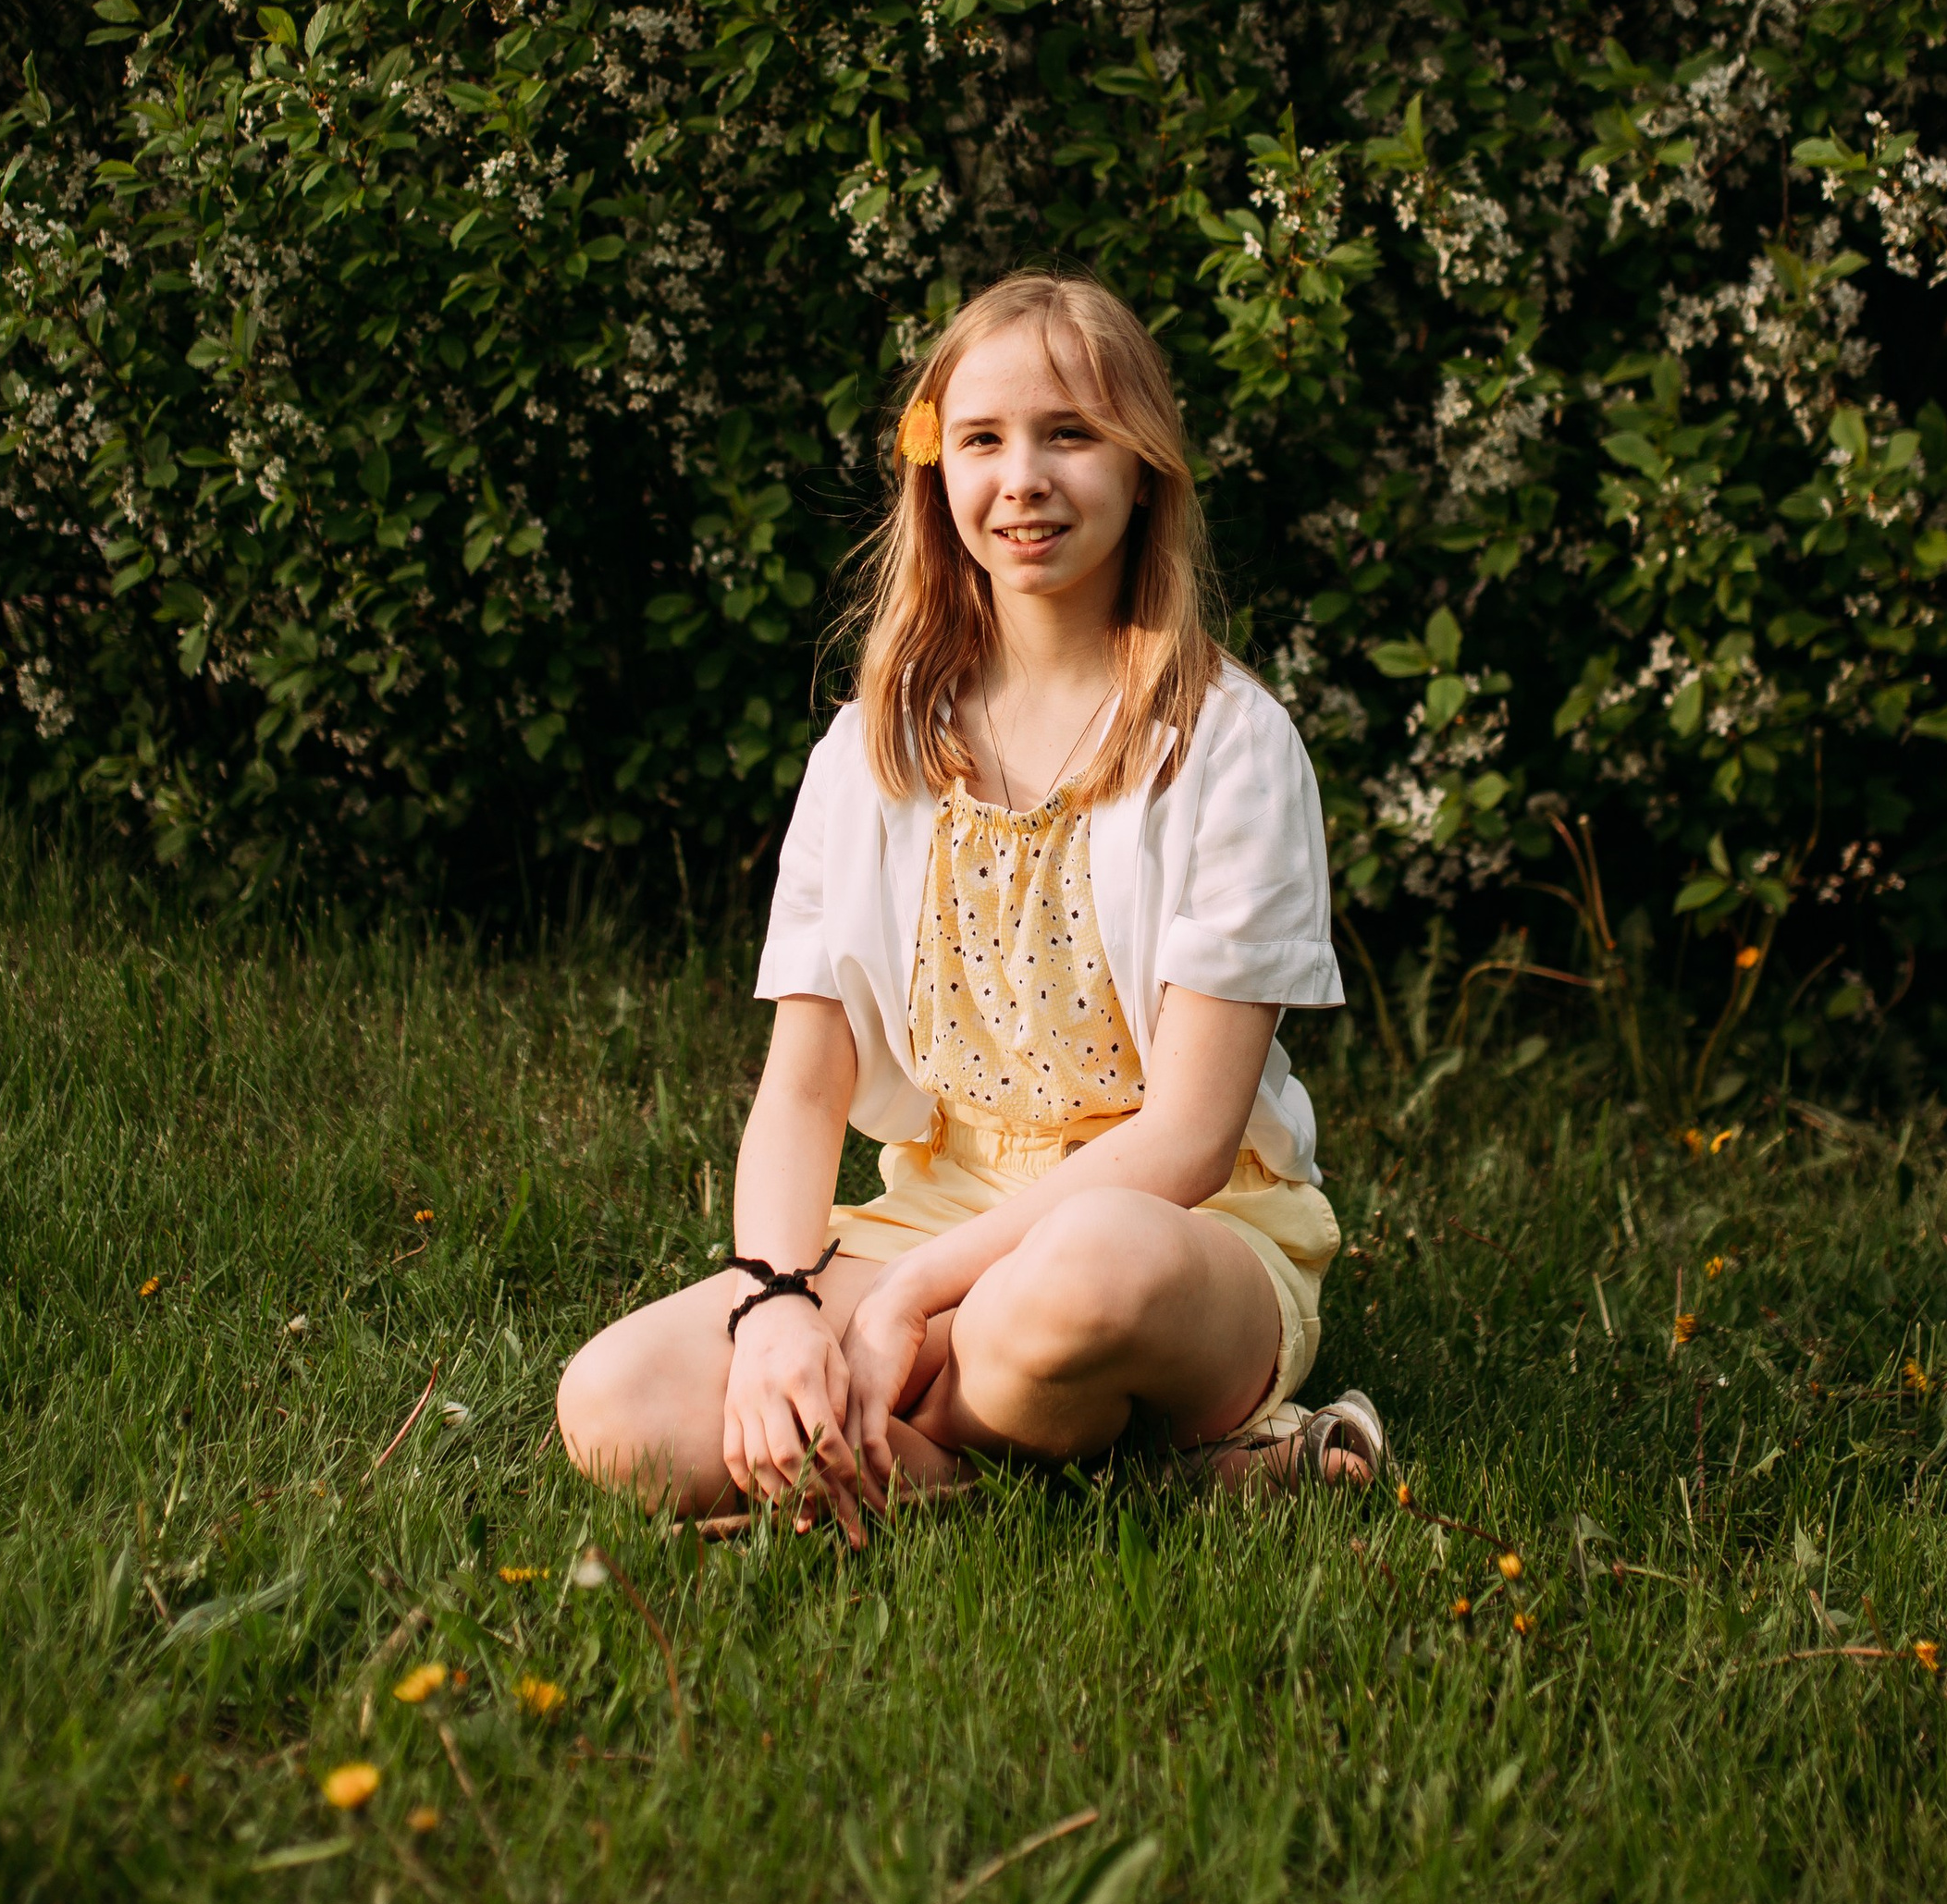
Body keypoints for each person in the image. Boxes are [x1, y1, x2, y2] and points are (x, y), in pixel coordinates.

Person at [556, 270, 1384, 1537]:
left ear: (1145, 467)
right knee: (617, 1409)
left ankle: (950, 1463)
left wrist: (903, 1304)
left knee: (1056, 1293)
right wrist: (777, 1303)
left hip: (1178, 1239)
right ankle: (1072, 1480)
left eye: (1072, 434)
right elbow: (802, 1087)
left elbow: (1190, 1140)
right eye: (985, 440)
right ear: (936, 471)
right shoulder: (868, 753)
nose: (1025, 479)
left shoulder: (1231, 745)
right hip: (937, 1211)